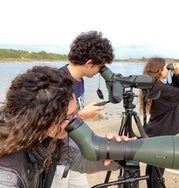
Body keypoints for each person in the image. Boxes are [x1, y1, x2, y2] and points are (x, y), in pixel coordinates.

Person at [0, 66, 126, 187]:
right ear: (38, 119)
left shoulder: (46, 134)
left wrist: (116, 152)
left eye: (75, 113)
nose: (75, 121)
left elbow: (78, 159)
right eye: (68, 117)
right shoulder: (7, 173)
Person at [51, 30, 114, 187]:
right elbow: (48, 123)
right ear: (89, 63)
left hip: (74, 149)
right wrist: (82, 114)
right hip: (57, 157)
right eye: (99, 67)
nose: (99, 71)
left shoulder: (78, 79)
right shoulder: (58, 81)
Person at [139, 57, 179, 188]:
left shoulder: (153, 86)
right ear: (159, 70)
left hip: (156, 131)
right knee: (157, 172)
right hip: (162, 135)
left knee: (153, 167)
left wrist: (175, 76)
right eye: (165, 67)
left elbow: (174, 92)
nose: (166, 69)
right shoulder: (161, 89)